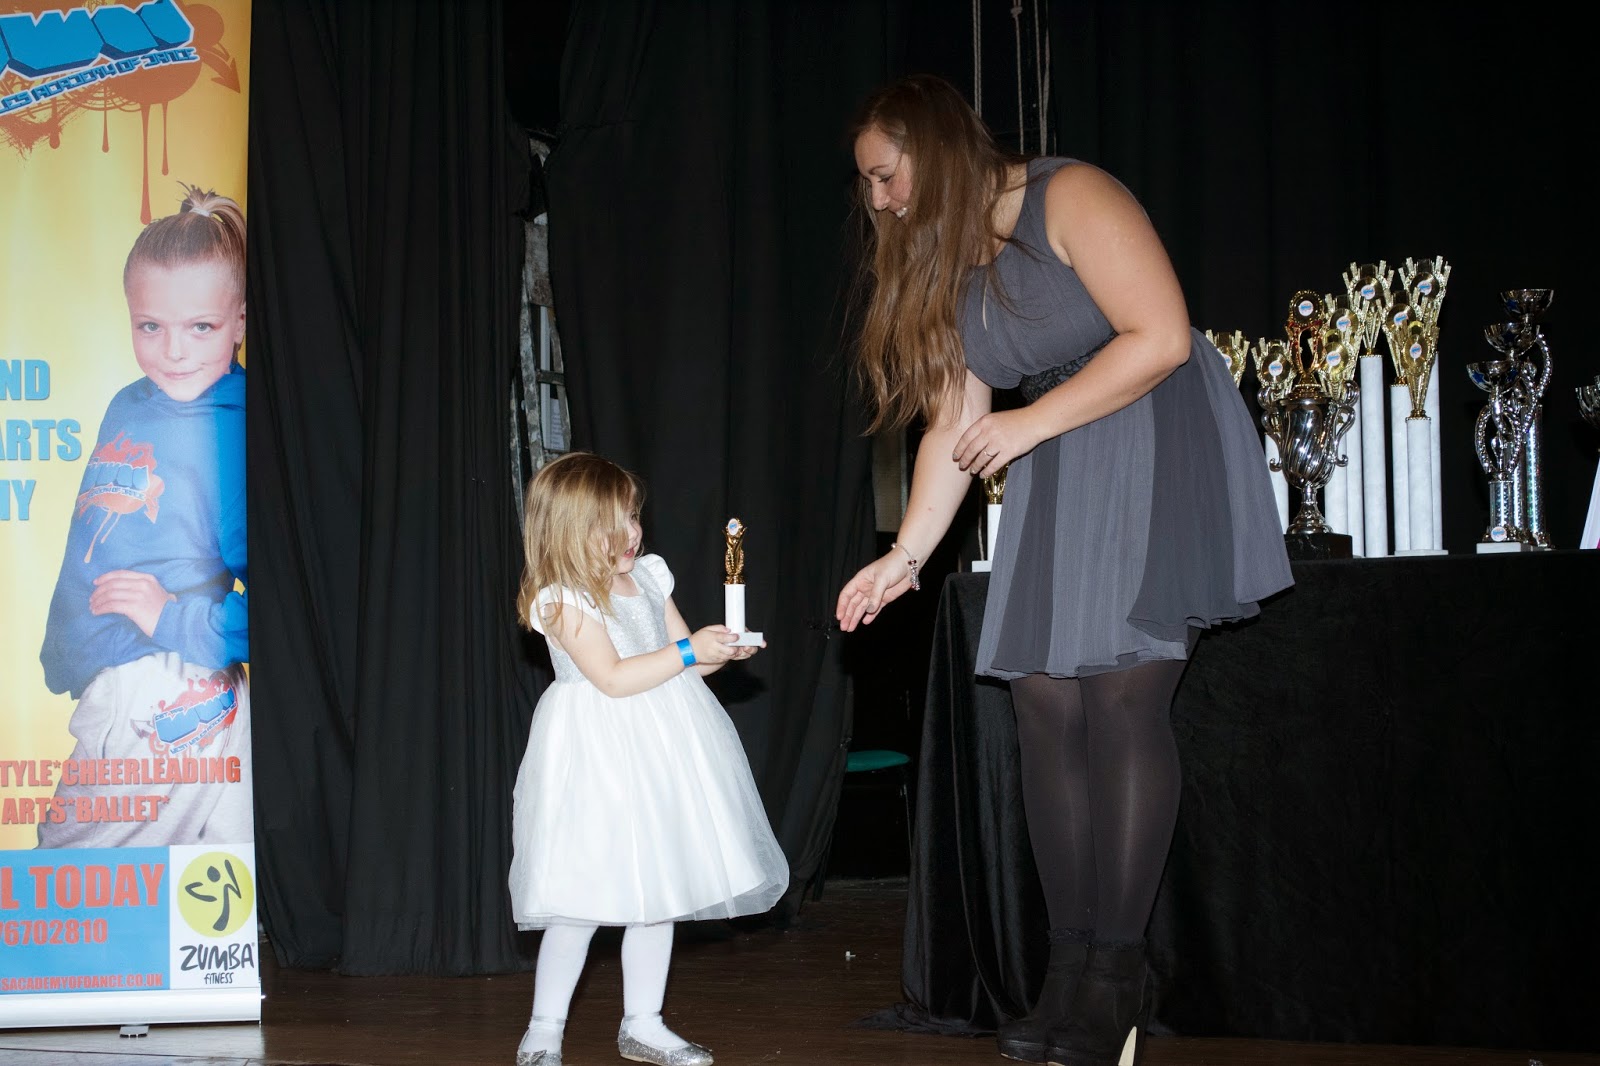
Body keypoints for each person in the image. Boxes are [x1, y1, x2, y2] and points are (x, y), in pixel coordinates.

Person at [834, 75, 1292, 1066]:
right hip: (1057, 458)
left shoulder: (1070, 194)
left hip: (1151, 434)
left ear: (933, 148)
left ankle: (1116, 976)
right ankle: (1069, 967)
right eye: (867, 183)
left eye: (885, 173)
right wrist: (903, 558)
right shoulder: (952, 263)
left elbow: (1161, 336)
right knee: (1043, 702)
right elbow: (953, 425)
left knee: (1121, 700)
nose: (879, 199)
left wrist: (1031, 422)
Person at [509, 452, 789, 1066]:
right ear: (568, 530)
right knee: (580, 899)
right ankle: (544, 1029)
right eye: (612, 523)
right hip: (597, 756)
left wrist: (717, 651)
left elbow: (680, 657)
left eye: (634, 516)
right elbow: (612, 677)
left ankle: (643, 1023)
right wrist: (689, 652)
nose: (631, 533)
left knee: (659, 890)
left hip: (661, 745)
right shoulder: (564, 600)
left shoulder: (651, 577)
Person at [38, 183, 250, 849]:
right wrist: (69, 653)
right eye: (150, 326)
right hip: (135, 687)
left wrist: (171, 618)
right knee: (206, 890)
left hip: (165, 687)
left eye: (201, 327)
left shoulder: (234, 425)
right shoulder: (130, 403)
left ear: (241, 322)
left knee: (62, 891)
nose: (174, 351)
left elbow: (289, 603)